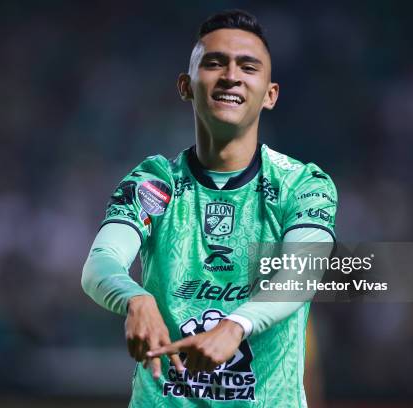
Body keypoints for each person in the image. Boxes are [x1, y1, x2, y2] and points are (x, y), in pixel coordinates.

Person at [82, 9, 337, 407]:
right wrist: (135, 297)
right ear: (186, 85)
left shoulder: (302, 184)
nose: (231, 75)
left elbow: (301, 273)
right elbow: (101, 262)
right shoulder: (155, 182)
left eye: (248, 66)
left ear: (270, 94)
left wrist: (238, 324)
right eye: (214, 63)